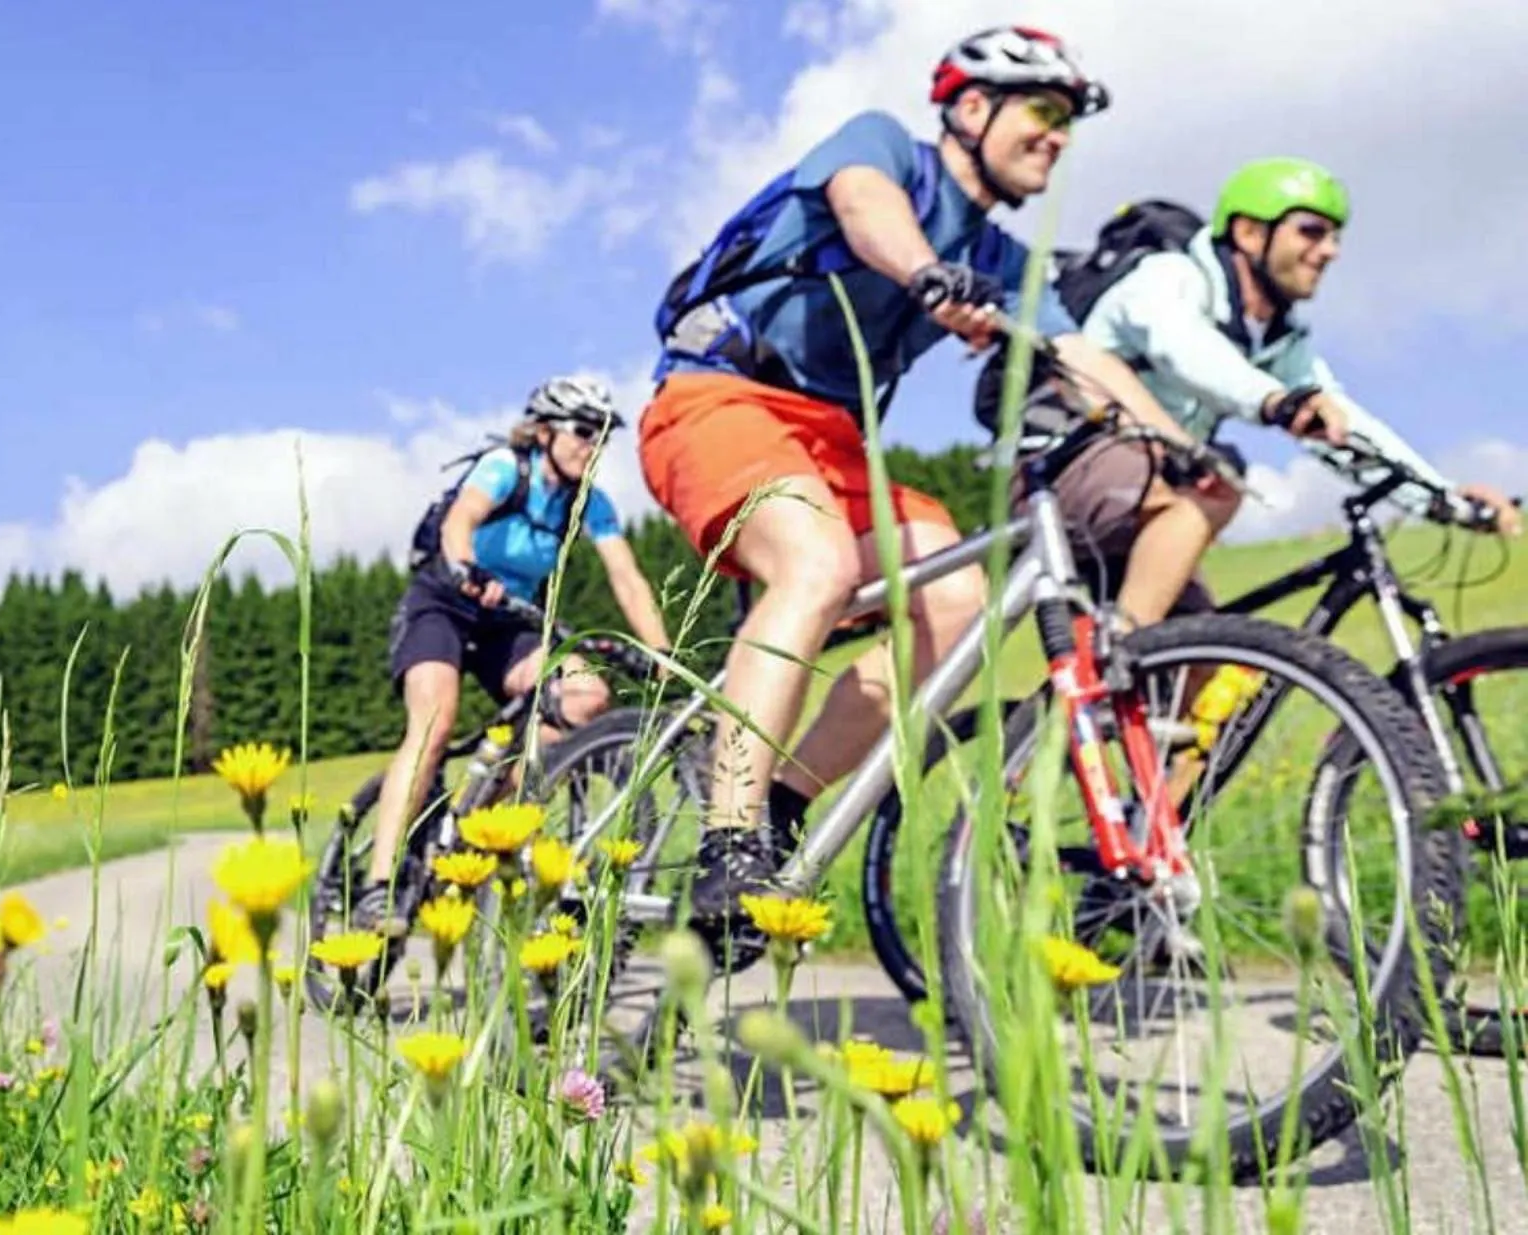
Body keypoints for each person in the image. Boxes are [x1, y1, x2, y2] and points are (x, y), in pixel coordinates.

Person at [639, 25, 1199, 930]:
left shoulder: (1001, 259)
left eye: (1068, 122)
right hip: (719, 399)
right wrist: (927, 273)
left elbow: (1081, 353)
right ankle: (727, 838)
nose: (1058, 136)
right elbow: (864, 205)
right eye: (1043, 110)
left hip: (832, 444)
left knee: (958, 603)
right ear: (971, 108)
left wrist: (1181, 447)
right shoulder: (887, 150)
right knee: (816, 564)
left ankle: (778, 806)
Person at [1029, 156, 1521, 627]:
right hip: (1059, 470)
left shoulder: (1279, 340)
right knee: (1220, 483)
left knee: (1203, 656)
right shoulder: (1169, 277)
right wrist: (1275, 401)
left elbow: (1343, 422)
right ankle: (1123, 654)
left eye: (1335, 237)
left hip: (1150, 500)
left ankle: (1133, 663)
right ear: (1249, 233)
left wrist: (1439, 497)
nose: (1330, 251)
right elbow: (1185, 349)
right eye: (1311, 231)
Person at [354, 374, 673, 930]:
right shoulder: (506, 467)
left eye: (602, 435)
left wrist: (662, 653)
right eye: (583, 431)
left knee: (584, 696)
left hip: (512, 619)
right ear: (545, 431)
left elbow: (626, 576)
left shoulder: (589, 502)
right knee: (433, 722)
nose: (592, 445)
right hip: (445, 601)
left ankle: (479, 820)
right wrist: (466, 567)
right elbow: (462, 518)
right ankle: (379, 885)